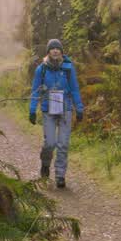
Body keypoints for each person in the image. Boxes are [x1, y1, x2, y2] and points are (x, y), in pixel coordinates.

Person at [28, 39, 84, 188]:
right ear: (48, 51)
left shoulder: (68, 68)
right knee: (50, 143)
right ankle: (45, 165)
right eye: (52, 49)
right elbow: (35, 90)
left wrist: (79, 109)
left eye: (57, 49)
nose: (55, 51)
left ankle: (60, 175)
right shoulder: (42, 69)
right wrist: (32, 110)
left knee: (63, 144)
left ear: (61, 51)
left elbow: (74, 89)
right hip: (48, 109)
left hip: (65, 109)